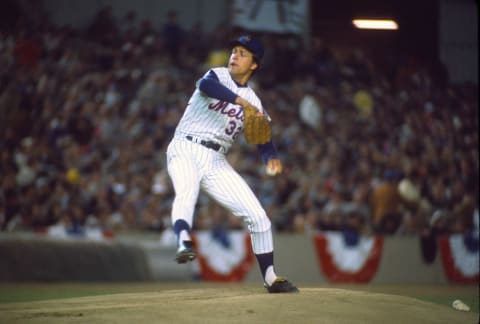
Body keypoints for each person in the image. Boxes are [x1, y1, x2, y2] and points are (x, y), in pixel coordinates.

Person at [166, 35, 298, 293]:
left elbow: (263, 140)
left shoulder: (256, 102)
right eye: (234, 51)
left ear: (254, 65)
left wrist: (270, 158)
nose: (235, 56)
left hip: (216, 161)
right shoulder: (217, 75)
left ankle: (270, 277)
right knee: (187, 193)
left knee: (259, 217)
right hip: (185, 146)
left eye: (243, 53)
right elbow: (206, 87)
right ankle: (183, 241)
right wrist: (241, 102)